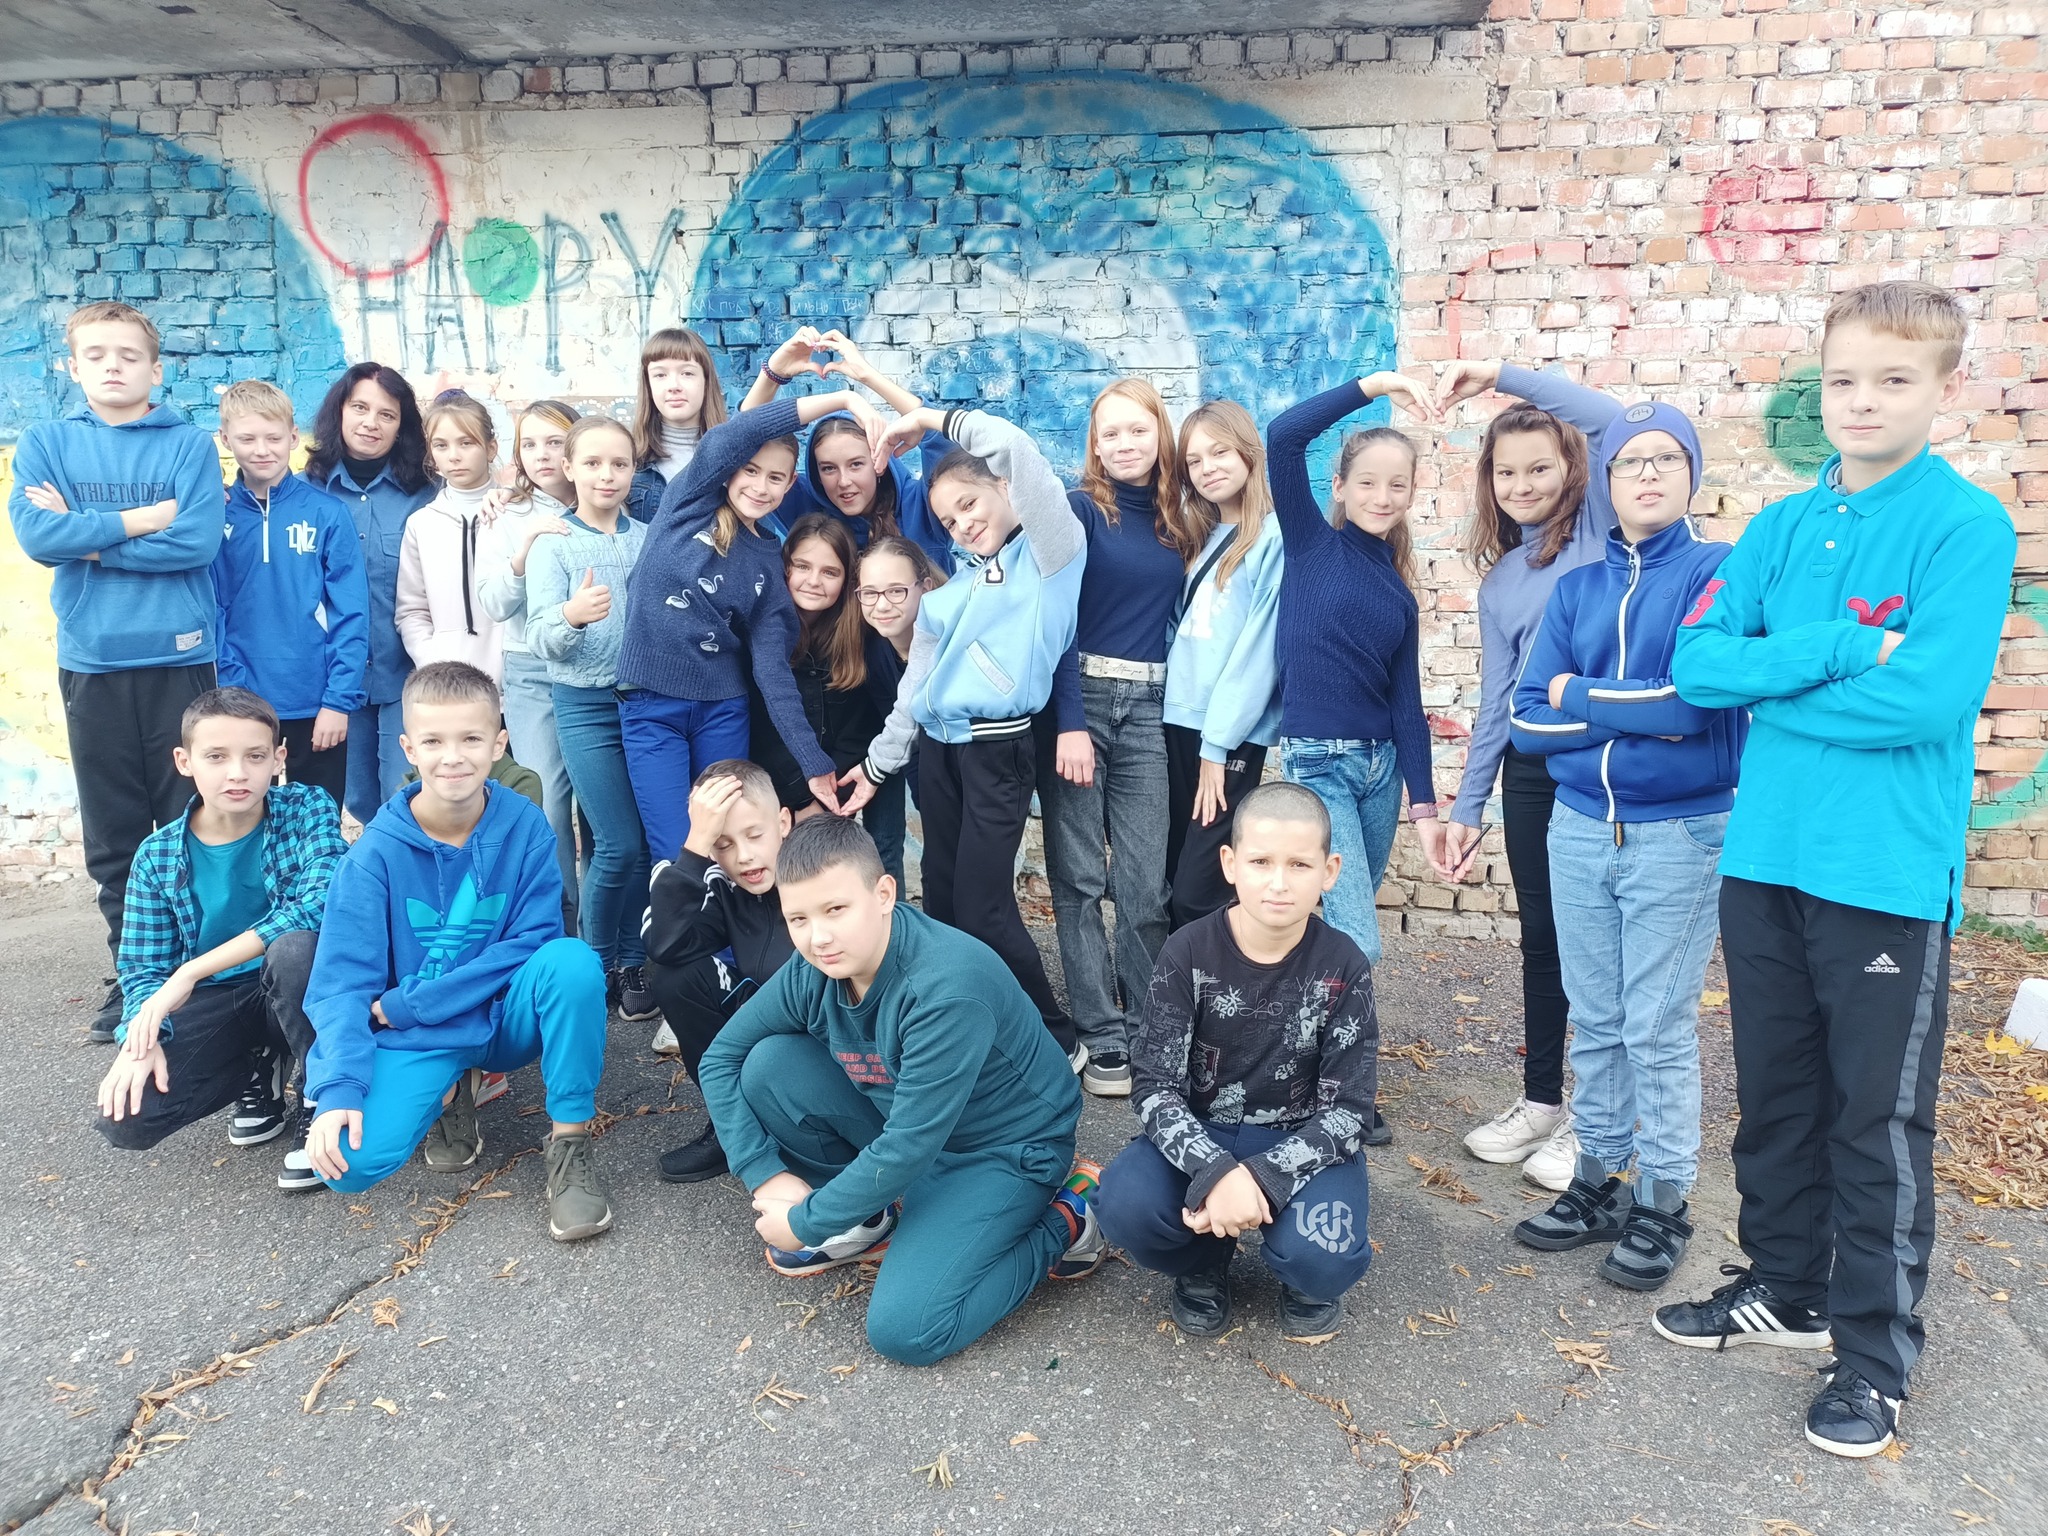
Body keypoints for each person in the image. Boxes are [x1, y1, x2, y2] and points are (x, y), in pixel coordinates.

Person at [1661, 282, 2017, 1458]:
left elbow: (1927, 700)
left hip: (1881, 873)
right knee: (1775, 1098)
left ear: (1942, 387)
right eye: (1843, 379)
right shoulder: (1775, 528)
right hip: (1764, 858)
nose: (1861, 402)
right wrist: (1839, 648)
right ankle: (1785, 1287)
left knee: (1874, 1123)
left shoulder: (1963, 527)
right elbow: (1698, 668)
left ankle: (1871, 1358)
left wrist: (1773, 683)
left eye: (1892, 380)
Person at [697, 814, 1103, 1366]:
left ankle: (1069, 1216)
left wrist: (803, 1222)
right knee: (769, 1064)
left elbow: (909, 1147)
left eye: (836, 909)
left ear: (884, 894)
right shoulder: (815, 967)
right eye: (799, 918)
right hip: (906, 1122)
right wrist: (763, 1173)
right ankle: (868, 1219)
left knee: (907, 1330)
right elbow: (720, 1058)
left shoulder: (945, 988)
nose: (818, 937)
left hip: (1001, 1150)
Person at [1506, 400, 1737, 1293]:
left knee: (1656, 1025)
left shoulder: (1719, 572)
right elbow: (1526, 720)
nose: (1647, 473)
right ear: (1606, 483)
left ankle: (1664, 1199)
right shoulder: (1577, 590)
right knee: (1596, 1017)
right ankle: (1599, 1179)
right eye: (1630, 461)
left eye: (1665, 458)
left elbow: (1693, 705)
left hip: (1678, 832)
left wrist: (1579, 692)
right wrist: (1629, 711)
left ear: (1691, 475)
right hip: (1576, 829)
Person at [300, 662, 613, 1241]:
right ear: (408, 749)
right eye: (434, 742)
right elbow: (341, 983)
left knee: (572, 963)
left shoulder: (525, 826)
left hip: (500, 1017)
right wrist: (337, 1085)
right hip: (426, 1034)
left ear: (498, 743)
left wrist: (415, 1003)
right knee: (348, 1162)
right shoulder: (373, 856)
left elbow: (533, 941)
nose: (453, 757)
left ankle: (570, 1143)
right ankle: (449, 1092)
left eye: (470, 738)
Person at [8, 301, 227, 1043]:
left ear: (154, 369)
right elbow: (40, 536)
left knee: (193, 822)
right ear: (73, 367)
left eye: (129, 355)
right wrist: (141, 520)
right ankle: (134, 975)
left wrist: (89, 537)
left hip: (180, 659)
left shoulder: (188, 445)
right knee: (115, 837)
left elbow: (196, 542)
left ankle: (199, 973)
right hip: (93, 662)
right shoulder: (47, 443)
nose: (113, 366)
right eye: (96, 354)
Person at [838, 405, 1085, 1062]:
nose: (963, 523)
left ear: (1004, 488)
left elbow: (1015, 445)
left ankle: (1053, 1037)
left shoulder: (1051, 555)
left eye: (969, 504)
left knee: (983, 906)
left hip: (999, 750)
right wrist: (877, 767)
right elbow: (914, 693)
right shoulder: (952, 594)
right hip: (939, 756)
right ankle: (972, 1026)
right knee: (943, 902)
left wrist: (928, 419)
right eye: (949, 520)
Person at [1096, 782, 1378, 1341]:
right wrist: (1216, 1171)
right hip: (1204, 1128)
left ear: (1330, 871)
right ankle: (1202, 1260)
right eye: (1260, 861)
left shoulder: (1345, 964)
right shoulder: (1187, 950)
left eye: (1300, 864)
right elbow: (1153, 1087)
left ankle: (1301, 1277)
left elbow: (1349, 1110)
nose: (1279, 882)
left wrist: (1263, 1177)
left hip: (1299, 1138)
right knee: (1125, 1206)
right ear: (1230, 863)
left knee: (1325, 1256)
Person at [1429, 366, 1612, 1190]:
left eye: (1539, 467)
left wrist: (1500, 376)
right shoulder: (1502, 579)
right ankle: (1542, 1100)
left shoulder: (1601, 531)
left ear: (1571, 468)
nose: (1523, 484)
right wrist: (1468, 805)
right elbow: (1496, 699)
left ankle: (1600, 1117)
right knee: (1543, 939)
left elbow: (1609, 419)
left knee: (1596, 943)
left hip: (1602, 765)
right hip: (1531, 774)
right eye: (1506, 472)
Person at [1268, 373, 1446, 1145]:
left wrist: (1425, 806)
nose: (1382, 495)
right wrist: (1374, 386)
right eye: (1367, 481)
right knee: (1358, 939)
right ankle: (1343, 1092)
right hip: (1319, 767)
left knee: (1334, 935)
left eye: (1396, 485)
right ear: (1339, 487)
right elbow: (1283, 437)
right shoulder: (1312, 544)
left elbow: (1407, 704)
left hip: (1379, 775)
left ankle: (1296, 1060)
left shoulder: (1396, 590)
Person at [615, 390, 883, 865]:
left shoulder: (769, 564)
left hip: (723, 713)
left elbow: (773, 674)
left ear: (789, 485)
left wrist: (813, 764)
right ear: (730, 469)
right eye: (751, 471)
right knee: (677, 850)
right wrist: (843, 398)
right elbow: (737, 432)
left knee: (732, 843)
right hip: (652, 707)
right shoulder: (687, 506)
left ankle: (737, 920)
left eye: (776, 478)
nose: (761, 487)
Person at [93, 687, 345, 1192]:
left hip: (297, 989)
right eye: (216, 757)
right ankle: (258, 1066)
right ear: (184, 762)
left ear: (278, 759)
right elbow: (143, 969)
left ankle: (319, 1096)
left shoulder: (306, 808)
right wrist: (142, 1035)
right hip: (222, 1001)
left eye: (255, 756)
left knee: (296, 949)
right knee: (129, 1118)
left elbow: (320, 901)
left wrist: (191, 971)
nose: (237, 773)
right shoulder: (157, 855)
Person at [1041, 379, 1202, 1098]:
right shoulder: (1080, 510)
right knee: (1077, 878)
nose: (1125, 444)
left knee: (1144, 883)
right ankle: (1101, 1034)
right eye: (1110, 433)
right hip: (1080, 697)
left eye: (1138, 430)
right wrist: (1070, 722)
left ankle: (1148, 1027)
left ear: (1160, 434)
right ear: (1095, 445)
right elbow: (1057, 619)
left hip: (1150, 709)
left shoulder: (1181, 519)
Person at [525, 416, 656, 1023]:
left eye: (619, 464)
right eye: (594, 463)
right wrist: (572, 615)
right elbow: (539, 636)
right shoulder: (554, 543)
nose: (607, 475)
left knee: (644, 842)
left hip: (648, 704)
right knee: (616, 843)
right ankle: (595, 962)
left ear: (634, 471)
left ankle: (633, 959)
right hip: (585, 705)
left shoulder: (648, 538)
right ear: (569, 469)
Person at [211, 379, 369, 816]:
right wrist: (232, 687)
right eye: (247, 439)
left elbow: (351, 613)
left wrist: (337, 701)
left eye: (274, 438)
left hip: (315, 703)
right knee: (244, 821)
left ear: (294, 437)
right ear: (225, 439)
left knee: (316, 822)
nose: (262, 450)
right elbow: (211, 608)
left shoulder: (327, 513)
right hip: (241, 700)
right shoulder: (214, 515)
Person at [1161, 400, 1284, 931]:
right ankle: (1175, 981)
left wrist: (1217, 746)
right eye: (1194, 460)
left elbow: (1260, 652)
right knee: (1169, 874)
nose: (1207, 468)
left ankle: (1222, 980)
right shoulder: (1199, 537)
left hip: (1227, 736)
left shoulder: (1274, 538)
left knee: (1201, 889)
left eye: (1220, 452)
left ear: (1248, 453)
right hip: (1175, 721)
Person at [645, 760, 796, 1183]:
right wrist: (696, 846)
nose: (744, 856)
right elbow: (664, 946)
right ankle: (733, 1127)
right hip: (773, 1031)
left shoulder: (821, 870)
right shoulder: (724, 888)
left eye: (755, 835)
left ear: (783, 823)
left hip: (831, 1045)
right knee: (675, 977)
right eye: (724, 844)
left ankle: (816, 1134)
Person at [304, 362, 435, 824]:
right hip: (335, 678)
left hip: (408, 673)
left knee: (408, 792)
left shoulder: (427, 495)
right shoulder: (304, 493)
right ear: (339, 412)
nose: (370, 423)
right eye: (359, 408)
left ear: (402, 427)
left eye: (387, 414)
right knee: (357, 798)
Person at [476, 399, 582, 921]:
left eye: (555, 442)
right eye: (530, 444)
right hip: (531, 669)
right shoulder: (506, 515)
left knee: (603, 810)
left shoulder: (606, 499)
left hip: (598, 671)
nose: (542, 455)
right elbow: (493, 604)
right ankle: (560, 923)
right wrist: (522, 554)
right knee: (548, 801)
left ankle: (610, 934)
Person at [740, 327, 957, 567]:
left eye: (856, 464)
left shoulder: (922, 508)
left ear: (878, 460)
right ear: (816, 474)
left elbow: (946, 438)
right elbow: (742, 440)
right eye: (828, 468)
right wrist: (774, 374)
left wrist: (867, 375)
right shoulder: (808, 511)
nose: (843, 481)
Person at [850, 535, 947, 886]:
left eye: (896, 591)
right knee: (937, 869)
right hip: (925, 768)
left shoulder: (950, 640)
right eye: (870, 593)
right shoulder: (875, 653)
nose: (882, 605)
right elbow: (907, 738)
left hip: (974, 769)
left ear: (925, 587)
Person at [396, 390, 502, 684]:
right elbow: (411, 610)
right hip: (448, 687)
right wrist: (435, 664)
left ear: (491, 448)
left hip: (517, 685)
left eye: (466, 443)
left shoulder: (517, 513)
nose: (454, 456)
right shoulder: (422, 524)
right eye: (441, 445)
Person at [626, 327, 728, 523]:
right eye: (660, 375)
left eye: (687, 373)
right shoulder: (630, 460)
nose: (674, 386)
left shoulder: (731, 458)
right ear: (648, 385)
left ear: (706, 380)